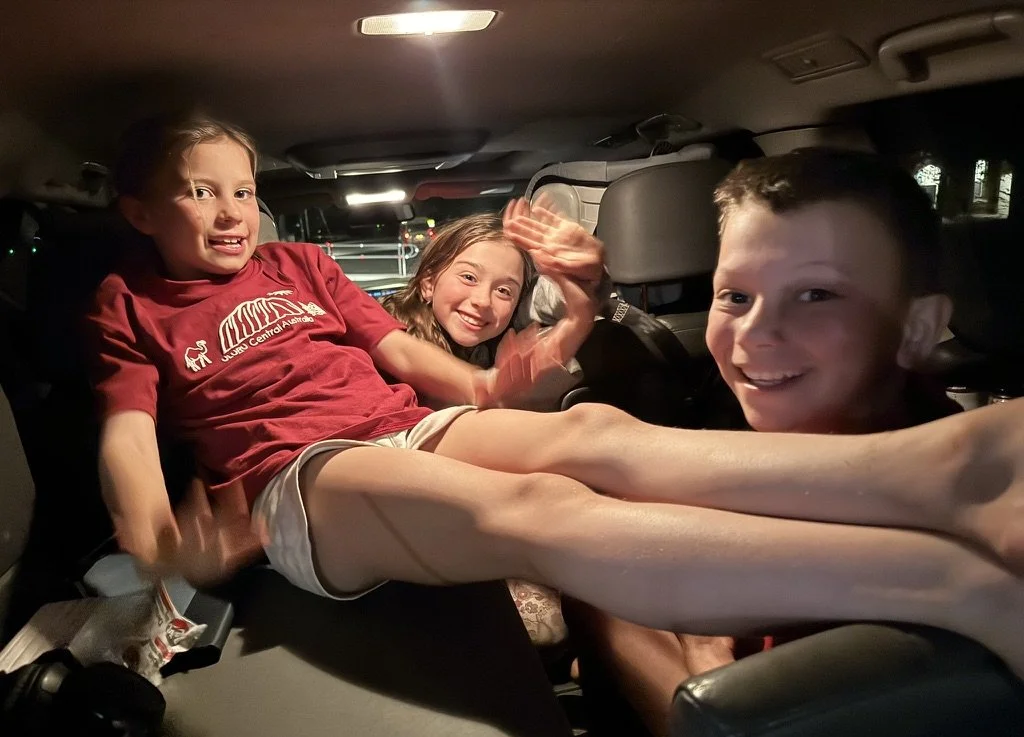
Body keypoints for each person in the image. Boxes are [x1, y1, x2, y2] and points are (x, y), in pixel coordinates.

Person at [86, 113, 1024, 690]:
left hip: (404, 425)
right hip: (295, 480)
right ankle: (954, 585)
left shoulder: (298, 263)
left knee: (595, 431)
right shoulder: (129, 303)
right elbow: (128, 434)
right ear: (138, 211)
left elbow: (399, 351)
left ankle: (949, 468)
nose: (229, 213)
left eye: (242, 191)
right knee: (537, 510)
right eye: (198, 192)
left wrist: (487, 387)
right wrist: (157, 537)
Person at [560, 147, 969, 737]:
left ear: (916, 328)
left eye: (817, 296)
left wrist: (702, 652)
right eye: (735, 297)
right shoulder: (875, 426)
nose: (755, 333)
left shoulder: (910, 499)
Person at [382, 211, 598, 645]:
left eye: (504, 291)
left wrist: (583, 301)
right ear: (427, 282)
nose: (483, 301)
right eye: (468, 277)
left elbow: (549, 336)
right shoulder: (389, 340)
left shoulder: (492, 347)